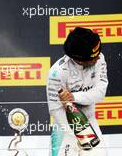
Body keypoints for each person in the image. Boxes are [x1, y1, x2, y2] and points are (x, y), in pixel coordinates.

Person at [46, 27, 108, 156]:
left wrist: (72, 96)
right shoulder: (56, 73)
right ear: (79, 59)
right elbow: (55, 110)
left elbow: (100, 93)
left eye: (98, 54)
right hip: (64, 128)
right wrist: (78, 133)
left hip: (90, 122)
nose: (98, 58)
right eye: (93, 57)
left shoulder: (99, 59)